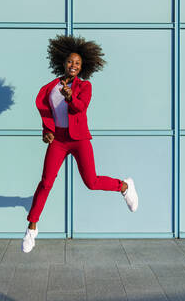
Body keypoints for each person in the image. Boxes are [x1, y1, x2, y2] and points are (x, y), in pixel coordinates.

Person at [22, 35, 138, 253]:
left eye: (77, 63)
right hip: (59, 140)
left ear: (82, 66)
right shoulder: (50, 88)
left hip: (79, 139)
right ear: (62, 63)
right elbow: (48, 115)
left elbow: (80, 108)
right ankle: (31, 228)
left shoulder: (85, 87)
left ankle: (124, 186)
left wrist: (69, 96)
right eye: (69, 62)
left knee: (91, 182)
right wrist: (46, 132)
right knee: (46, 182)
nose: (73, 65)